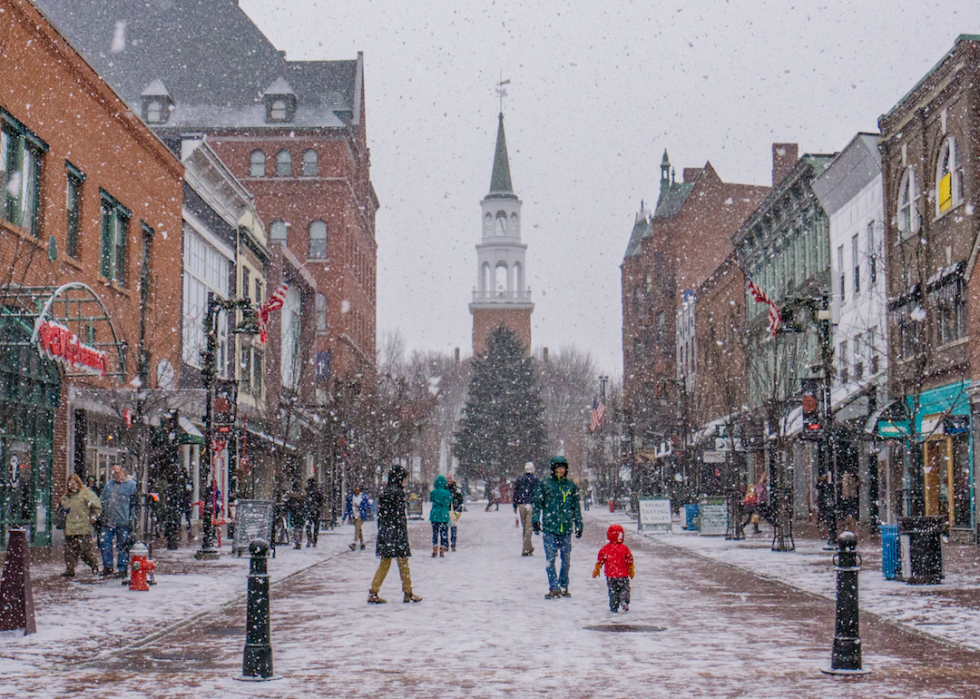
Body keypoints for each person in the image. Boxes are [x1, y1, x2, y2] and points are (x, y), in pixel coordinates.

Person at [368, 464, 421, 604]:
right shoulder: (399, 493)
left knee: (385, 562)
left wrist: (383, 529)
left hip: (386, 531)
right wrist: (401, 532)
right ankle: (408, 592)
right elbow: (400, 516)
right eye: (404, 478)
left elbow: (381, 514)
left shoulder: (385, 492)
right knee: (403, 562)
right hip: (397, 532)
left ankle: (374, 591)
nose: (405, 481)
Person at [532, 456, 583, 599]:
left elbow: (575, 507)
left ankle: (563, 584)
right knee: (551, 558)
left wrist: (578, 523)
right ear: (553, 469)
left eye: (563, 467)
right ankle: (553, 586)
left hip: (565, 527)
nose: (562, 470)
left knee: (566, 558)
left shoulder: (570, 486)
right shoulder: (545, 485)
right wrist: (535, 521)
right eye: (559, 467)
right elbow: (537, 504)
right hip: (550, 527)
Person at [59, 473, 102, 578]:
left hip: (83, 528)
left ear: (78, 483)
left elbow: (97, 506)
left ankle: (94, 565)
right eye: (69, 484)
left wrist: (94, 515)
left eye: (73, 484)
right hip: (70, 528)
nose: (71, 486)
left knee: (85, 551)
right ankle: (70, 569)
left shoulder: (86, 494)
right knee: (69, 551)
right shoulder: (67, 496)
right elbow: (62, 509)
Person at [99, 464, 137, 578]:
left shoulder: (131, 485)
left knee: (123, 545)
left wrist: (132, 520)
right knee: (105, 543)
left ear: (123, 471)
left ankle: (122, 568)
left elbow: (134, 504)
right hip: (108, 520)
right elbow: (102, 499)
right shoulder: (108, 485)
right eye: (113, 472)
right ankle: (108, 566)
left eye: (117, 472)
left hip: (123, 521)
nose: (115, 475)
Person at [593, 524, 635, 613]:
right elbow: (629, 559)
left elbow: (601, 558)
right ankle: (624, 600)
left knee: (613, 591)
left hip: (611, 575)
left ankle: (614, 605)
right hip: (623, 575)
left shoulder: (606, 549)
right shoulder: (624, 548)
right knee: (624, 588)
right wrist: (631, 568)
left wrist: (598, 567)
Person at [513, 462, 539, 556]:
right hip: (531, 504)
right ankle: (527, 548)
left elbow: (516, 492)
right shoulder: (535, 480)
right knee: (529, 528)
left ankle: (527, 546)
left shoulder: (520, 479)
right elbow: (537, 493)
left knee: (525, 527)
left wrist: (515, 505)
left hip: (521, 505)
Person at [429, 474, 452, 557]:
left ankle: (435, 549)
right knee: (443, 534)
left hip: (434, 515)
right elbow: (450, 501)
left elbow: (431, 499)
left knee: (435, 533)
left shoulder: (433, 492)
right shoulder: (447, 493)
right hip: (444, 516)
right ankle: (442, 550)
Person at [344, 485, 369, 551]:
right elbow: (348, 507)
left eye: (358, 490)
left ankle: (355, 543)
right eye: (356, 490)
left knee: (357, 528)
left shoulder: (363, 497)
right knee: (359, 530)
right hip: (354, 515)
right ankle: (362, 543)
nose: (357, 491)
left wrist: (361, 506)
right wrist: (344, 517)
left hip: (361, 515)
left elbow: (367, 505)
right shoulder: (351, 497)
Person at [446, 473, 463, 551]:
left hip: (453, 510)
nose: (449, 480)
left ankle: (453, 544)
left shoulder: (456, 489)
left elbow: (460, 500)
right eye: (448, 479)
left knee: (453, 528)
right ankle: (446, 544)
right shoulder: (444, 489)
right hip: (446, 510)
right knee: (445, 528)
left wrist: (458, 509)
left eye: (450, 479)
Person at [305, 477, 324, 547]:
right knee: (315, 526)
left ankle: (310, 539)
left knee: (309, 525)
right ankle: (314, 540)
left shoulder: (308, 491)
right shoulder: (316, 491)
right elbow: (321, 500)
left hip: (311, 510)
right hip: (314, 510)